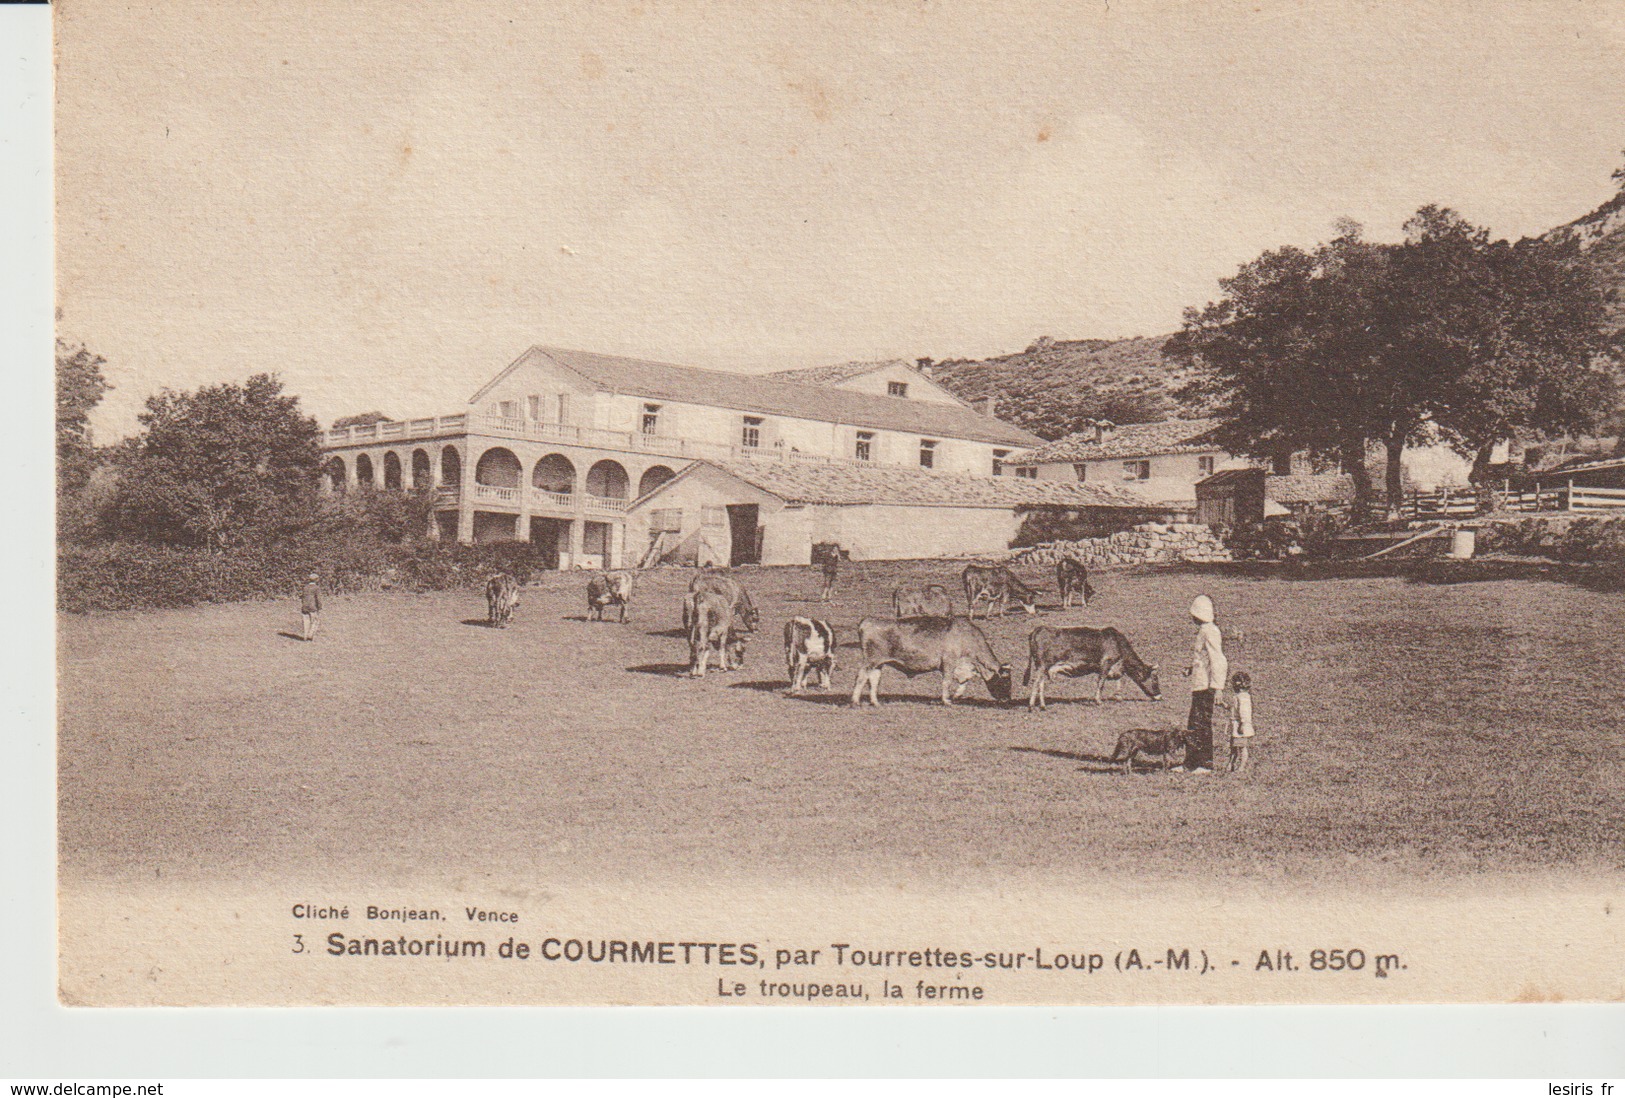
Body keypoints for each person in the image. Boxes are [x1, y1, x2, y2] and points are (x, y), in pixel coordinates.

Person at [1181, 593, 1227, 773]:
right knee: (1194, 723)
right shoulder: (1204, 631)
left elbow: (1218, 660)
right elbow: (1203, 658)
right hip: (1200, 684)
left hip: (1207, 687)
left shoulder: (1211, 632)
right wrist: (1191, 668)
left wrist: (1218, 688)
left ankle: (1205, 763)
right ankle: (1191, 763)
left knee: (1202, 724)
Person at [1226, 670, 1255, 773]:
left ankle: (1241, 766)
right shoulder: (1238, 696)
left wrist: (1242, 724)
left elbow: (1244, 712)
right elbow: (1234, 708)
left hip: (1240, 725)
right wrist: (1224, 705)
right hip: (1236, 724)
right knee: (1234, 746)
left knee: (1242, 747)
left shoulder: (1243, 697)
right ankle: (1231, 764)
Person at [300, 572, 322, 641]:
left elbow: (302, 597)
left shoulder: (305, 587)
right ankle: (310, 635)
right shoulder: (316, 588)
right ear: (316, 580)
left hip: (304, 607)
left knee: (306, 622)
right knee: (315, 621)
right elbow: (318, 598)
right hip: (313, 607)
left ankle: (305, 636)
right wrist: (319, 606)